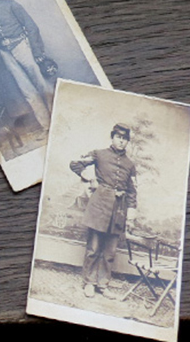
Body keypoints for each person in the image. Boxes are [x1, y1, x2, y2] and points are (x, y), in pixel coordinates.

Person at [69, 123, 138, 299]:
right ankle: (89, 283)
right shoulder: (99, 154)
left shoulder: (130, 165)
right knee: (93, 248)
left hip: (119, 211)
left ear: (127, 141)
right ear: (112, 137)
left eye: (125, 139)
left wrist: (131, 213)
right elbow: (75, 163)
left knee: (110, 252)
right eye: (118, 137)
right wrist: (89, 178)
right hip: (99, 206)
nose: (121, 141)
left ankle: (103, 285)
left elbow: (132, 191)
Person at [0, 0, 55, 131]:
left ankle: (57, 117)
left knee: (41, 83)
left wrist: (37, 52)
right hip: (5, 53)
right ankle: (47, 126)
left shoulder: (11, 5)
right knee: (27, 90)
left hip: (22, 46)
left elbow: (32, 27)